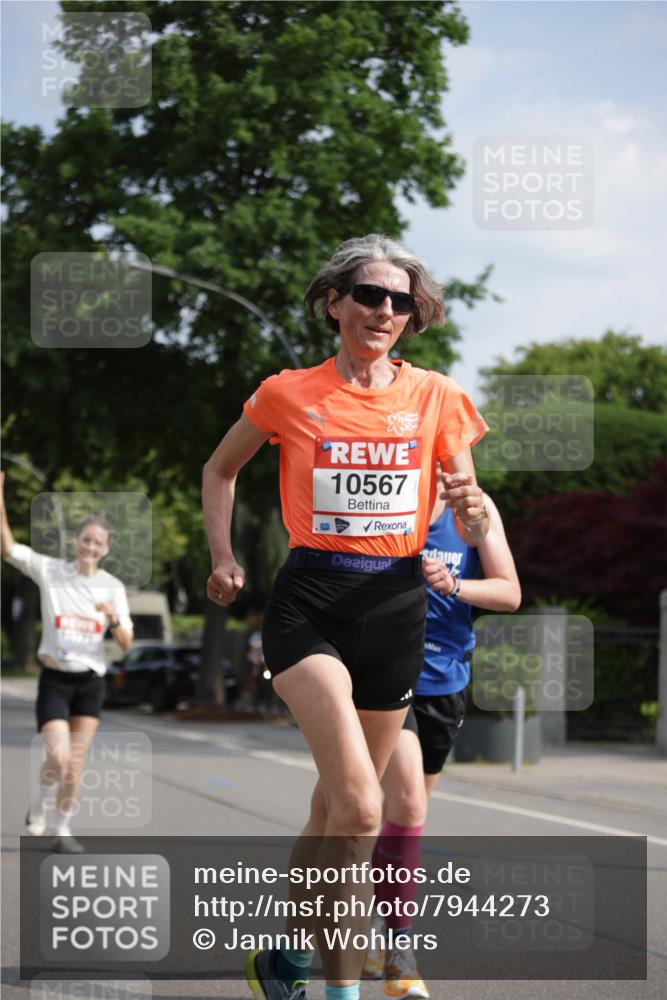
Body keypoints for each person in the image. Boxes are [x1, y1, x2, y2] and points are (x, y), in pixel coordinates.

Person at [202, 234, 490, 1000]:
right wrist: (223, 556)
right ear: (335, 303)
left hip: (396, 609)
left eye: (400, 301)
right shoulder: (287, 393)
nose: (384, 310)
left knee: (332, 808)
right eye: (369, 294)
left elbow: (469, 515)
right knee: (363, 807)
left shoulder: (437, 397)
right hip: (310, 605)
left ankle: (286, 960)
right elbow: (219, 469)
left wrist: (472, 511)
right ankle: (342, 992)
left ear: (411, 316)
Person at [364, 476, 521, 999]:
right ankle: (400, 951)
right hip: (385, 670)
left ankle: (375, 921)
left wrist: (455, 586)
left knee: (403, 817)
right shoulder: (387, 496)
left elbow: (509, 592)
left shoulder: (473, 507)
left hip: (445, 682)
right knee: (407, 800)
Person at [0, 472, 133, 852]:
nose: (90, 546)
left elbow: (126, 644)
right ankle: (41, 799)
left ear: (106, 549)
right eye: (86, 539)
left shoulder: (112, 587)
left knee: (74, 764)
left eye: (97, 542)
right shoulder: (51, 571)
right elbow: (8, 548)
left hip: (90, 684)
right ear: (77, 541)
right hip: (55, 681)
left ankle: (61, 830)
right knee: (58, 758)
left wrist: (113, 619)